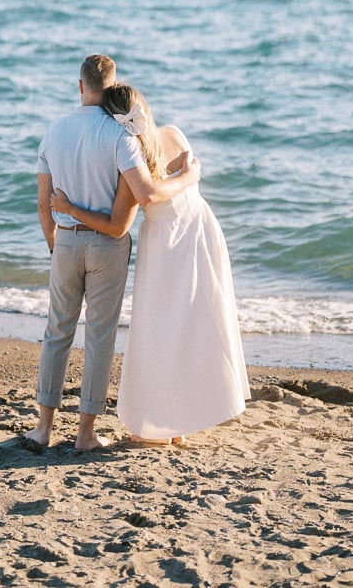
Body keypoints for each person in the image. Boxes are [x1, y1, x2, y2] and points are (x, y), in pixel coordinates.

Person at [50, 82, 249, 444]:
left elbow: (130, 211)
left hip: (166, 242)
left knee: (160, 332)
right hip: (200, 228)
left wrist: (69, 209)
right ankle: (179, 423)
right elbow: (176, 183)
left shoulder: (131, 156)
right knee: (193, 325)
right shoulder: (174, 134)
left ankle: (163, 426)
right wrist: (187, 177)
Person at [25, 56, 202, 453]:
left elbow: (42, 203)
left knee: (57, 334)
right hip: (107, 245)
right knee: (99, 339)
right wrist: (188, 177)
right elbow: (143, 194)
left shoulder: (54, 132)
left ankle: (42, 429)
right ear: (113, 85)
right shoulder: (121, 136)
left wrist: (56, 242)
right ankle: (85, 434)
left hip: (66, 241)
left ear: (80, 86)